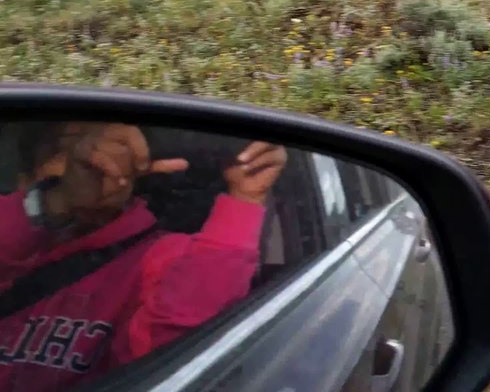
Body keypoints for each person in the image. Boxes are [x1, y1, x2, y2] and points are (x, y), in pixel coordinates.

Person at [0, 121, 286, 391]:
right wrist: (55, 202)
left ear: (136, 169)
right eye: (69, 147)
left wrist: (245, 199)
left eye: (116, 149)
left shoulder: (165, 256)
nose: (94, 157)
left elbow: (176, 352)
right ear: (24, 181)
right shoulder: (11, 246)